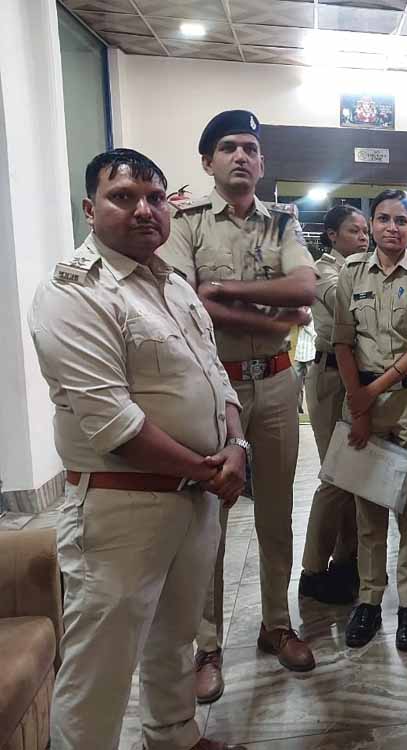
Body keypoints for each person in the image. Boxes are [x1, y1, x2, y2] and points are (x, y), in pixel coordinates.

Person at [31, 148, 247, 750]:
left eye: (154, 198)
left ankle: (174, 735)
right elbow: (114, 424)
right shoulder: (74, 292)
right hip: (120, 509)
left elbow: (218, 378)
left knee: (175, 637)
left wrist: (236, 443)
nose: (144, 210)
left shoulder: (173, 285)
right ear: (89, 209)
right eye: (123, 197)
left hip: (193, 500)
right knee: (100, 665)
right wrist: (210, 471)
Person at [158, 109, 318, 703]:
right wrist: (273, 316)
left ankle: (276, 624)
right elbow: (184, 304)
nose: (241, 156)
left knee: (276, 512)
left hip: (277, 385)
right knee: (212, 520)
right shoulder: (187, 223)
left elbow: (305, 289)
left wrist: (223, 291)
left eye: (250, 148)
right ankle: (208, 645)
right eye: (228, 147)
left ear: (262, 162)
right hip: (213, 389)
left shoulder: (283, 223)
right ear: (208, 162)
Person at [332, 189, 407, 652]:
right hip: (363, 400)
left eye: (401, 220)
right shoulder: (351, 272)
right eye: (382, 219)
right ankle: (370, 601)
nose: (391, 227)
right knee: (368, 505)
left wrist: (369, 394)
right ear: (371, 224)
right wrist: (358, 405)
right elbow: (342, 341)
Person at [298, 205, 370, 604]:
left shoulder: (363, 268)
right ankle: (312, 570)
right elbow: (344, 299)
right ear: (331, 235)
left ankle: (346, 561)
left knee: (355, 474)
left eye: (365, 231)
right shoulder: (323, 269)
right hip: (330, 377)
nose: (363, 237)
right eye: (354, 230)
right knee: (337, 475)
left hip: (359, 376)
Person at [293, 320, 316, 413]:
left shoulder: (313, 314)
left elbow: (314, 332)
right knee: (295, 384)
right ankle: (298, 409)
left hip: (311, 353)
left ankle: (312, 410)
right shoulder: (301, 313)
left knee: (311, 385)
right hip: (299, 353)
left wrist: (304, 323)